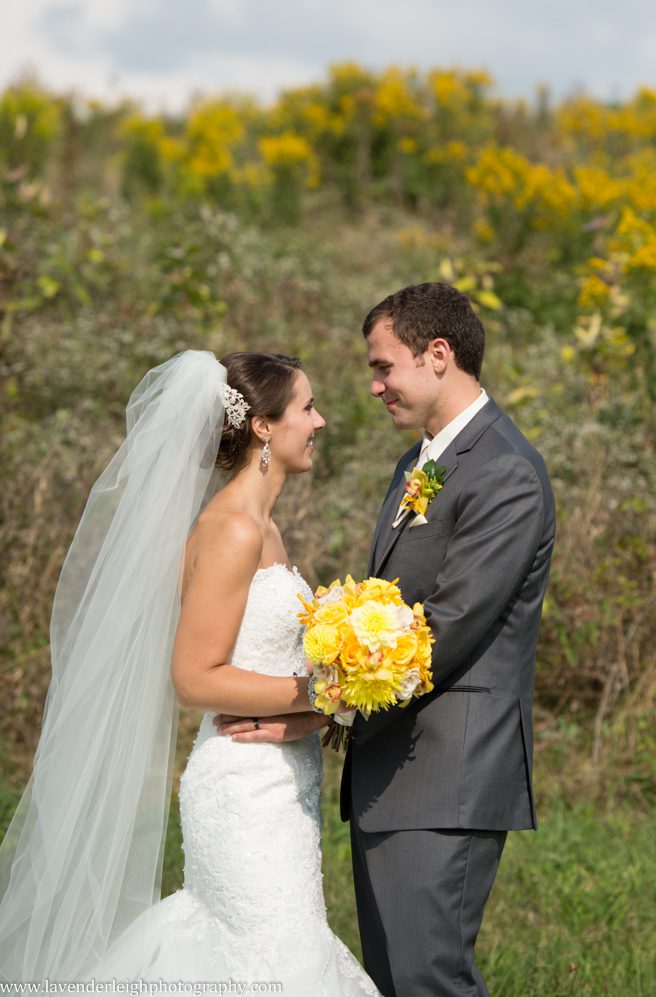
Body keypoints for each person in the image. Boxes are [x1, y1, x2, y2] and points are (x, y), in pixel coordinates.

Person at [0, 349, 380, 996]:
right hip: (243, 787)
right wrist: (319, 691)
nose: (320, 420)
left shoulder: (266, 529)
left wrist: (325, 707)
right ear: (264, 425)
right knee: (274, 961)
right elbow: (194, 676)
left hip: (282, 778)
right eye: (308, 406)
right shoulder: (233, 529)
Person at [341, 282, 555, 997]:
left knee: (429, 980)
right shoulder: (419, 462)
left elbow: (446, 626)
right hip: (393, 768)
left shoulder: (505, 472)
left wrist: (323, 697)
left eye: (383, 366)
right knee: (393, 980)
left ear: (438, 354)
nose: (375, 386)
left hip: (447, 775)